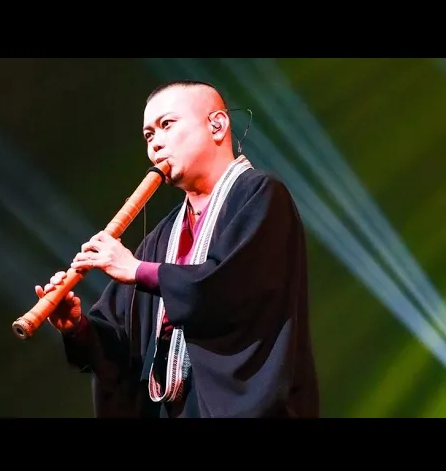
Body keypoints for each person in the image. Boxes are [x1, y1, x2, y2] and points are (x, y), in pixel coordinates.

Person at [34, 80, 320, 418]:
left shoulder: (261, 195)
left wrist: (137, 269)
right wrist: (78, 327)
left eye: (166, 124)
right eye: (148, 135)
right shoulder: (164, 236)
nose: (156, 143)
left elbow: (227, 289)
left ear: (217, 125)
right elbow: (121, 342)